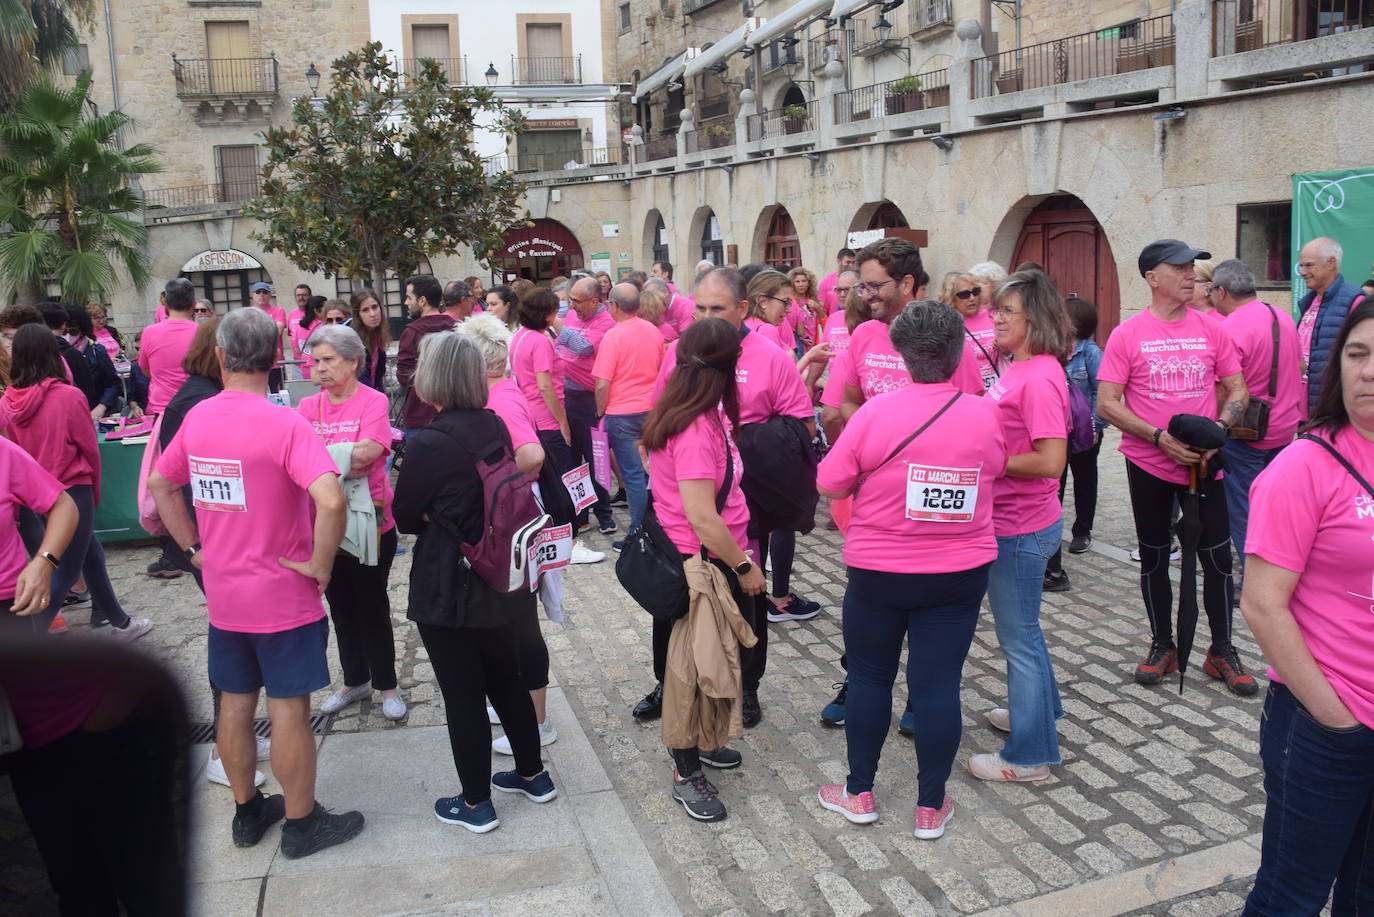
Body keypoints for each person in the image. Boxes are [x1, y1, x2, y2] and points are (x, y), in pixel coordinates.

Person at [148, 307, 364, 858]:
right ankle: (301, 824)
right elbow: (331, 497)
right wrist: (321, 565)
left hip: (225, 593)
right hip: (283, 594)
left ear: (220, 357)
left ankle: (248, 814)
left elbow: (161, 483)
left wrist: (195, 549)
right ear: (275, 361)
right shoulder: (285, 422)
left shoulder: (198, 418)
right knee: (289, 708)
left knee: (234, 706)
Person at [814, 301, 1007, 836]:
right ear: (959, 352)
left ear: (900, 354)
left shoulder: (874, 414)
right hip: (957, 573)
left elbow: (829, 484)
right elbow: (993, 468)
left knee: (871, 678)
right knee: (939, 685)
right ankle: (930, 807)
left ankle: (858, 794)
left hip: (879, 572)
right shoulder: (984, 412)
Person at [1240, 298, 1374, 916]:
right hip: (1330, 722)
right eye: (1356, 354)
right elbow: (1263, 605)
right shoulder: (1305, 465)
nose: (1368, 371)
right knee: (1290, 896)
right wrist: (1333, 716)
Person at [393, 331, 558, 834]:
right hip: (500, 574)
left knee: (463, 693)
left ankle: (474, 802)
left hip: (449, 578)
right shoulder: (491, 424)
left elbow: (404, 517)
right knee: (504, 676)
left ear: (432, 377)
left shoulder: (430, 443)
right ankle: (533, 775)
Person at [634, 267, 813, 727]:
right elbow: (660, 414)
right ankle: (666, 680)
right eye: (700, 308)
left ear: (743, 309)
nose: (705, 317)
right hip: (690, 501)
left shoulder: (772, 356)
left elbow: (801, 426)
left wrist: (750, 448)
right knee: (678, 599)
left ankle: (747, 686)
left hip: (745, 497)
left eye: (717, 309)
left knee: (744, 598)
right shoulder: (681, 350)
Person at [1097, 239, 1257, 695]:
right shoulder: (1129, 334)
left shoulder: (1213, 328)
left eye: (1193, 267)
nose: (1192, 275)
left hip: (1205, 464)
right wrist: (1158, 438)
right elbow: (1107, 403)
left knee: (1217, 559)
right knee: (1153, 554)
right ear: (1152, 277)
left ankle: (1221, 649)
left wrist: (1219, 430)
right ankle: (1162, 644)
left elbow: (1238, 389)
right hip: (1149, 461)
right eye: (1181, 267)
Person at [641, 318, 766, 822]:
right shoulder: (694, 427)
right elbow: (701, 515)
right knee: (690, 673)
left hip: (704, 555)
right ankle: (685, 767)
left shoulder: (697, 411)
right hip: (702, 563)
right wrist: (743, 567)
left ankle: (705, 743)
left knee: (711, 662)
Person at [969, 271, 1070, 783]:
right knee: (1025, 633)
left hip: (1020, 526)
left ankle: (1029, 756)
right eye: (996, 309)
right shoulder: (1021, 367)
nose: (996, 318)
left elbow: (1051, 461)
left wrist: (987, 459)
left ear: (1037, 316)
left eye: (1008, 310)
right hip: (1016, 519)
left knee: (1019, 639)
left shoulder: (1039, 376)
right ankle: (1041, 714)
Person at [1, 325, 153, 639]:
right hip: (71, 489)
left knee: (89, 552)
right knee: (64, 570)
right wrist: (95, 491)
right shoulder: (69, 396)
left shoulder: (9, 401)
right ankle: (30, 635)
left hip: (35, 493)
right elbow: (90, 450)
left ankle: (115, 619)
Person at [455, 314, 560, 755]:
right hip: (516, 522)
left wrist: (491, 478)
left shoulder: (498, 399)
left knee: (521, 624)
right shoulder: (501, 392)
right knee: (512, 620)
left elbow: (532, 455)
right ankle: (521, 703)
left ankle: (538, 722)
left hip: (515, 524)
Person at [297, 324, 406, 722]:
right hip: (325, 521)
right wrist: (342, 455)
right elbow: (305, 460)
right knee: (340, 605)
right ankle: (354, 678)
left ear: (354, 362)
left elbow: (370, 452)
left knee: (372, 604)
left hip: (371, 518)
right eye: (316, 361)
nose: (320, 368)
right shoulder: (308, 407)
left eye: (329, 360)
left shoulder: (373, 401)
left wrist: (322, 457)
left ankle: (387, 684)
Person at [1210, 259, 1303, 585]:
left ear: (1221, 292)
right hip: (1284, 427)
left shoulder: (1231, 327)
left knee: (1244, 507)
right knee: (1275, 504)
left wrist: (1213, 426)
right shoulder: (1281, 316)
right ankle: (1283, 567)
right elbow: (1300, 365)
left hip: (1248, 430)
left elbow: (1225, 388)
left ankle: (1254, 579)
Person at [841, 240, 982, 425]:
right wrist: (875, 434)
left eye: (874, 286)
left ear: (906, 284)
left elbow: (973, 414)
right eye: (863, 288)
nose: (866, 296)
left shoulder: (946, 338)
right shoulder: (862, 334)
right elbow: (850, 402)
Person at [593, 282, 665, 539]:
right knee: (655, 472)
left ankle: (638, 532)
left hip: (621, 412)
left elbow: (602, 383)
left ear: (613, 306)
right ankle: (661, 526)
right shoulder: (653, 331)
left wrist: (600, 412)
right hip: (651, 410)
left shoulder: (613, 336)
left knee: (633, 475)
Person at [1044, 295, 1106, 591]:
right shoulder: (1055, 350)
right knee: (1057, 482)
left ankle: (1082, 531)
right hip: (1059, 429)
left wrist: (1095, 425)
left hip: (1085, 431)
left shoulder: (1091, 353)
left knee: (1085, 480)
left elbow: (1101, 391)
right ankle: (1052, 534)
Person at [557, 276, 619, 537]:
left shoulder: (606, 322)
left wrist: (554, 324)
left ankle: (604, 514)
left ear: (595, 301)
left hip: (590, 400)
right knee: (572, 461)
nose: (572, 307)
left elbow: (582, 348)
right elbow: (560, 347)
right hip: (567, 397)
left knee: (597, 460)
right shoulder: (572, 317)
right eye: (570, 300)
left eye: (577, 301)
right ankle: (579, 515)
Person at [1297, 237, 1366, 413]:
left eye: (1309, 265)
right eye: (1301, 266)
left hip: (1333, 408)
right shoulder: (1308, 302)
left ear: (1331, 263)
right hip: (1303, 406)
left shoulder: (1354, 301)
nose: (1302, 272)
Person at [396, 273, 457, 442]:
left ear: (422, 301)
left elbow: (403, 376)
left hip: (420, 414)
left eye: (409, 297)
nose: (406, 303)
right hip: (455, 411)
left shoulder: (412, 331)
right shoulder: (457, 327)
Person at [139, 278, 200, 417]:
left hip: (163, 408)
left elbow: (145, 369)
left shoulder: (149, 332)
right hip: (195, 406)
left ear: (165, 303)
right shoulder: (202, 332)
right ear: (193, 305)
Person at [62, 302, 124, 420]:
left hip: (96, 414)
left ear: (83, 329)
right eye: (64, 332)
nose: (68, 336)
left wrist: (102, 406)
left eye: (73, 331)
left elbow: (113, 382)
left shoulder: (96, 351)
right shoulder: (57, 354)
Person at [37, 302, 96, 407]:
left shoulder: (29, 353)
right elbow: (87, 394)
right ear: (63, 325)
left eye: (73, 331)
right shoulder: (73, 355)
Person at [952, 273, 1001, 391]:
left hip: (997, 390)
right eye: (964, 295)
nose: (972, 298)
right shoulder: (949, 324)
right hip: (966, 391)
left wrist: (1004, 346)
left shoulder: (993, 317)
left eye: (975, 291)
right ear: (952, 298)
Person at [743, 270, 797, 352]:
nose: (789, 310)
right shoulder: (766, 329)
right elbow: (774, 365)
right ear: (763, 301)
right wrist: (809, 358)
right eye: (785, 301)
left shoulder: (745, 324)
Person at [247, 281, 288, 391]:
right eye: (258, 292)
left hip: (276, 363)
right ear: (252, 295)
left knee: (279, 395)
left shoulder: (278, 310)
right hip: (255, 363)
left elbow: (278, 331)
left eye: (264, 292)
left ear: (270, 295)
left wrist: (257, 329)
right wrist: (270, 326)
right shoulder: (248, 313)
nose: (261, 295)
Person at [350, 288, 390, 392]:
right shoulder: (352, 339)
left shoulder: (377, 335)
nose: (372, 314)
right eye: (365, 310)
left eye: (375, 307)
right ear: (358, 314)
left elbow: (378, 377)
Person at [289, 294, 327, 378]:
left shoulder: (300, 326)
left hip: (302, 367)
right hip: (318, 369)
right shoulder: (322, 327)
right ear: (316, 310)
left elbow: (295, 348)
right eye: (326, 308)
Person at [788, 266, 823, 349]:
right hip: (798, 344)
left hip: (813, 343)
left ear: (809, 283)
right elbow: (788, 325)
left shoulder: (813, 299)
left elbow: (824, 321)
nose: (801, 284)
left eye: (804, 281)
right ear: (792, 284)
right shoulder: (790, 301)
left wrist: (818, 308)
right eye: (797, 281)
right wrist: (800, 338)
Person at [819, 248, 857, 315]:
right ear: (838, 261)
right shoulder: (826, 281)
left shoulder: (858, 279)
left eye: (853, 263)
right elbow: (821, 308)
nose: (851, 265)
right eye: (848, 262)